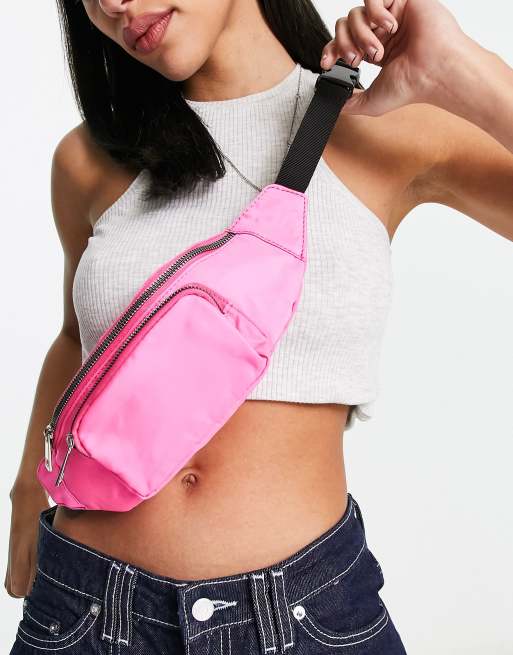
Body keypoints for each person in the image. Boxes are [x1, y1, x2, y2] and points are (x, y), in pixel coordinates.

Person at [5, 0, 512, 653]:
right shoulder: (88, 160)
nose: (110, 5)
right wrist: (27, 486)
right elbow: (78, 338)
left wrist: (459, 66)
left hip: (305, 619)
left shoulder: (383, 125)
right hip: (87, 610)